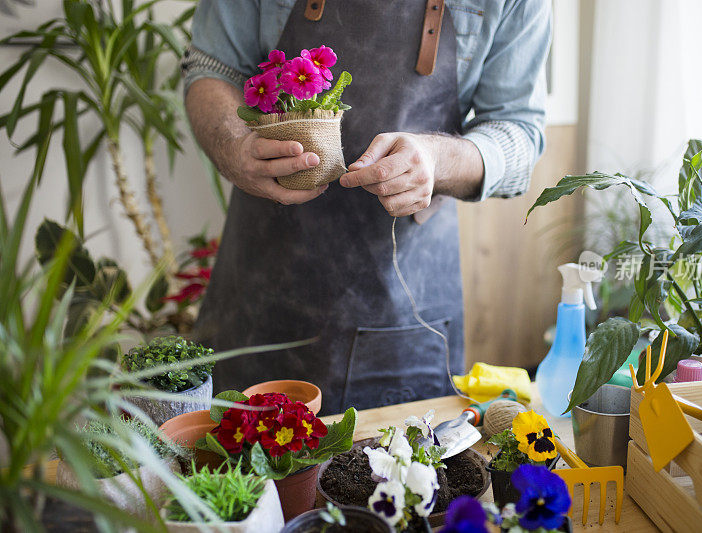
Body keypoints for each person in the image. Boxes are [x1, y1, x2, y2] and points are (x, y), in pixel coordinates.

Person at [183, 0, 551, 415]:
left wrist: (435, 158)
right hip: (259, 294)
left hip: (404, 303)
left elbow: (519, 127)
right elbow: (211, 67)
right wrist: (234, 145)